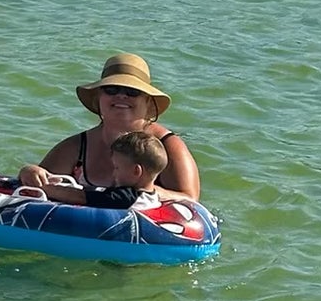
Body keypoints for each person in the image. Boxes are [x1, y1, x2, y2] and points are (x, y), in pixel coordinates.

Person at [33, 52, 200, 198]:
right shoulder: (75, 148)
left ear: (148, 101)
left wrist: (144, 193)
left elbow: (189, 199)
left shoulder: (168, 146)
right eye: (111, 89)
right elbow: (35, 188)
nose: (121, 96)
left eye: (132, 92)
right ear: (98, 97)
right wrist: (30, 172)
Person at [19, 129, 180, 209]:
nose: (113, 173)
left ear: (136, 171)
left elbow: (81, 197)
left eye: (117, 167)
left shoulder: (126, 197)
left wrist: (45, 189)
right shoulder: (152, 198)